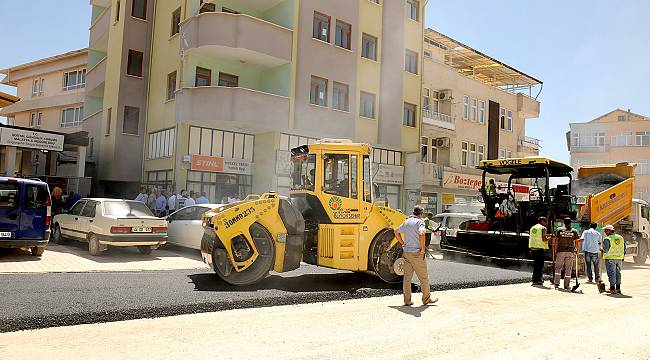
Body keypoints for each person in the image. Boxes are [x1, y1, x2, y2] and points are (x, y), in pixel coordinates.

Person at [395, 206, 437, 306]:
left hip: (407, 253)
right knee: (423, 278)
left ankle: (407, 300)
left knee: (407, 278)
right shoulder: (420, 222)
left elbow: (396, 231)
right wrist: (422, 249)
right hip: (417, 254)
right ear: (421, 213)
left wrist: (402, 243)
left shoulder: (407, 222)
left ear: (414, 212)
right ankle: (426, 299)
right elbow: (422, 233)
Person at [554, 218, 579, 290]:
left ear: (564, 223)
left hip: (561, 251)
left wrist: (555, 250)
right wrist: (577, 250)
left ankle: (556, 284)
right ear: (571, 223)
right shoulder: (574, 231)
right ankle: (566, 285)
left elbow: (556, 241)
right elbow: (576, 242)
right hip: (570, 252)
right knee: (568, 269)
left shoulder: (559, 230)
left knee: (558, 268)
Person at [529, 216, 553, 285]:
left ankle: (534, 279)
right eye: (546, 221)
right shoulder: (543, 228)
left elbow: (534, 238)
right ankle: (538, 280)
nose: (547, 223)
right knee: (539, 266)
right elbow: (544, 239)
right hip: (540, 249)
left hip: (533, 249)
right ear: (542, 221)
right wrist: (550, 237)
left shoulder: (533, 228)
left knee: (536, 265)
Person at [602, 224, 625, 294]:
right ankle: (618, 288)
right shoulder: (621, 237)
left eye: (606, 231)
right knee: (618, 273)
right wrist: (623, 256)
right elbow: (624, 248)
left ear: (609, 231)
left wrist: (601, 249)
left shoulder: (607, 239)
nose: (605, 232)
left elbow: (606, 250)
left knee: (612, 273)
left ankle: (612, 288)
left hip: (610, 259)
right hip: (619, 259)